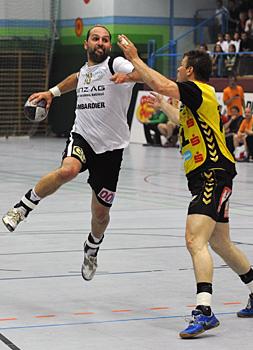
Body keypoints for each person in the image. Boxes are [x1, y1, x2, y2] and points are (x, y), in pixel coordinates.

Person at [117, 35, 253, 339]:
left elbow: (165, 84)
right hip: (213, 174)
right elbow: (183, 119)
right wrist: (165, 106)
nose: (178, 69)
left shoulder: (199, 89)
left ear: (190, 71)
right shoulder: (197, 100)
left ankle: (204, 311)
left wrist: (136, 59)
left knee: (194, 240)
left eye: (181, 66)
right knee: (220, 243)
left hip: (212, 174)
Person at [2, 25, 141, 282]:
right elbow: (76, 78)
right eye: (95, 39)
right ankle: (22, 208)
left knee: (100, 215)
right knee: (69, 170)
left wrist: (132, 69)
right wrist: (51, 92)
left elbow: (145, 76)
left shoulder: (116, 63)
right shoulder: (86, 71)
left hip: (111, 150)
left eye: (105, 40)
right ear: (85, 44)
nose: (100, 42)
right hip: (83, 137)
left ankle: (92, 247)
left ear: (109, 45)